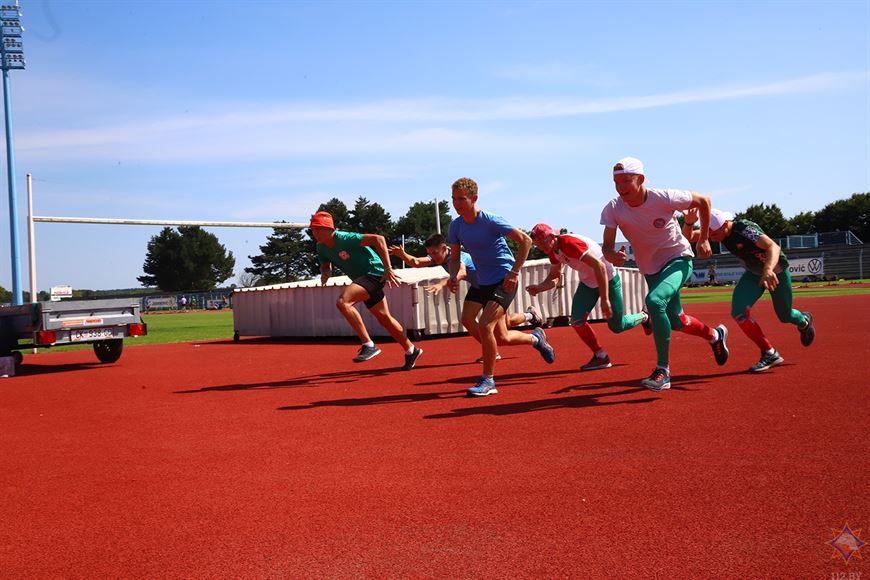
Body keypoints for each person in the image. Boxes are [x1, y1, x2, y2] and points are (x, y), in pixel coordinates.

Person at [601, 157, 729, 392]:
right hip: (650, 268)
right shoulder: (613, 208)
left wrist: (703, 238)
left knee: (654, 301)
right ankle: (715, 335)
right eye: (616, 182)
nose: (621, 187)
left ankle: (663, 371)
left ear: (641, 179)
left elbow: (704, 200)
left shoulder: (664, 197)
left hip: (678, 259)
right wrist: (612, 256)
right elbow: (607, 247)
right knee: (677, 321)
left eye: (626, 181)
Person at [446, 177, 555, 397]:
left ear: (474, 198)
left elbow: (525, 241)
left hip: (504, 279)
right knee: (497, 334)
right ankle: (536, 339)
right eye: (454, 199)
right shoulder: (456, 226)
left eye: (461, 199)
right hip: (482, 282)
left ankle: (488, 381)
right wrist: (453, 275)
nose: (456, 204)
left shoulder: (490, 221)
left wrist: (514, 273)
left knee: (485, 325)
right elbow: (455, 258)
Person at [683, 207, 815, 372]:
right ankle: (769, 352)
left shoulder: (744, 229)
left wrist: (768, 270)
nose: (711, 237)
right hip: (753, 275)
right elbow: (688, 237)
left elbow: (773, 247)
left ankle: (803, 321)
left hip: (776, 272)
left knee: (785, 315)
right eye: (708, 233)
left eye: (713, 234)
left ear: (725, 225)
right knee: (738, 312)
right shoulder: (715, 231)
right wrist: (689, 223)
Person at [389, 233, 543, 361]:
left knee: (503, 335)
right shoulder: (439, 257)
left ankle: (533, 330)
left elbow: (462, 272)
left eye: (435, 253)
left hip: (493, 287)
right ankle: (492, 351)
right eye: (430, 254)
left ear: (444, 248)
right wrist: (403, 255)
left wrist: (445, 283)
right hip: (478, 287)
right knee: (467, 319)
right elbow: (416, 262)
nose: (433, 257)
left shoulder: (458, 257)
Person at [310, 210, 423, 370]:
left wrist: (388, 268)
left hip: (374, 273)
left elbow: (379, 239)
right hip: (362, 279)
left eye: (318, 229)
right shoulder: (321, 247)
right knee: (384, 319)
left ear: (329, 229)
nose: (314, 233)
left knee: (343, 302)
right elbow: (325, 264)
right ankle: (411, 349)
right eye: (313, 229)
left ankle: (368, 344)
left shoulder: (345, 238)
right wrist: (325, 273)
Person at [527, 223, 648, 371]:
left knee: (617, 326)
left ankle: (645, 316)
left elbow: (600, 267)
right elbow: (554, 276)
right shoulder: (553, 250)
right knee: (577, 320)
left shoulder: (569, 243)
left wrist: (605, 299)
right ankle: (601, 356)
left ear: (553, 236)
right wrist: (539, 287)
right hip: (588, 282)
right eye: (537, 244)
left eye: (543, 241)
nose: (541, 247)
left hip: (608, 279)